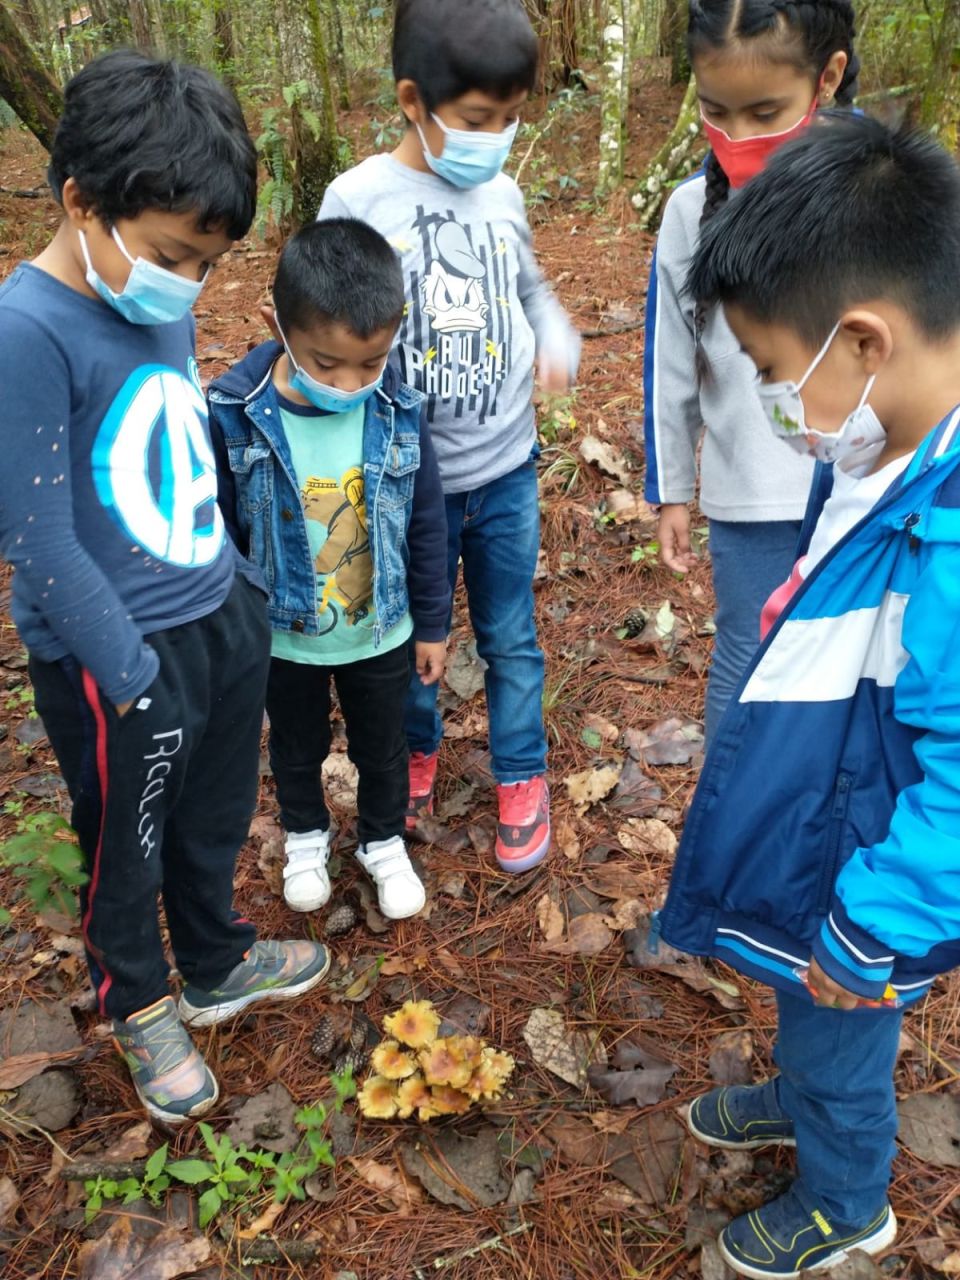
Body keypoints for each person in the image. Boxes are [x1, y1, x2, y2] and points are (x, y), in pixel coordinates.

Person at [0, 51, 331, 1128]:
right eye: (173, 256)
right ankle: (138, 996)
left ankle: (217, 957)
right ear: (80, 202)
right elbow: (41, 538)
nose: (188, 283)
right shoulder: (28, 331)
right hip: (118, 655)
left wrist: (238, 582)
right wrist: (128, 673)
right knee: (126, 837)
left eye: (207, 262)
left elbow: (176, 440)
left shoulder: (154, 298)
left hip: (214, 616)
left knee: (215, 812)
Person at [659, 114, 960, 1277]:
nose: (784, 402)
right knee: (809, 998)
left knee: (842, 1013)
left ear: (864, 339)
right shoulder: (894, 446)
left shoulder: (945, 534)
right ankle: (802, 1089)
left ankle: (846, 1199)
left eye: (781, 372)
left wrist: (874, 919)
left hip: (874, 863)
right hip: (838, 808)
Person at [317, 0, 580, 873]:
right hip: (403, 478)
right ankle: (415, 754)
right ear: (411, 100)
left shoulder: (503, 193)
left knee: (510, 634)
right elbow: (325, 323)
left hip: (505, 468)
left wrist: (553, 330)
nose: (496, 138)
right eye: (476, 121)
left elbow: (529, 286)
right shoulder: (357, 199)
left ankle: (520, 775)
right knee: (409, 638)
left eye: (509, 119)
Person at [208, 219, 449, 921]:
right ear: (275, 325)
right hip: (284, 639)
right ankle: (307, 835)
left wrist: (432, 621)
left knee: (384, 745)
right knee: (295, 746)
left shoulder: (399, 410)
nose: (350, 383)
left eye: (370, 363)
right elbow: (222, 530)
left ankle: (382, 840)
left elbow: (428, 522)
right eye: (327, 364)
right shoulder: (235, 417)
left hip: (381, 631)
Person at [644, 0, 859, 742]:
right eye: (715, 110)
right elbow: (672, 361)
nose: (736, 137)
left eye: (765, 111)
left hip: (866, 491)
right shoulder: (687, 213)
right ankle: (733, 825)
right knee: (748, 659)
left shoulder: (874, 193)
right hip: (749, 500)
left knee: (856, 662)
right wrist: (672, 490)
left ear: (826, 77)